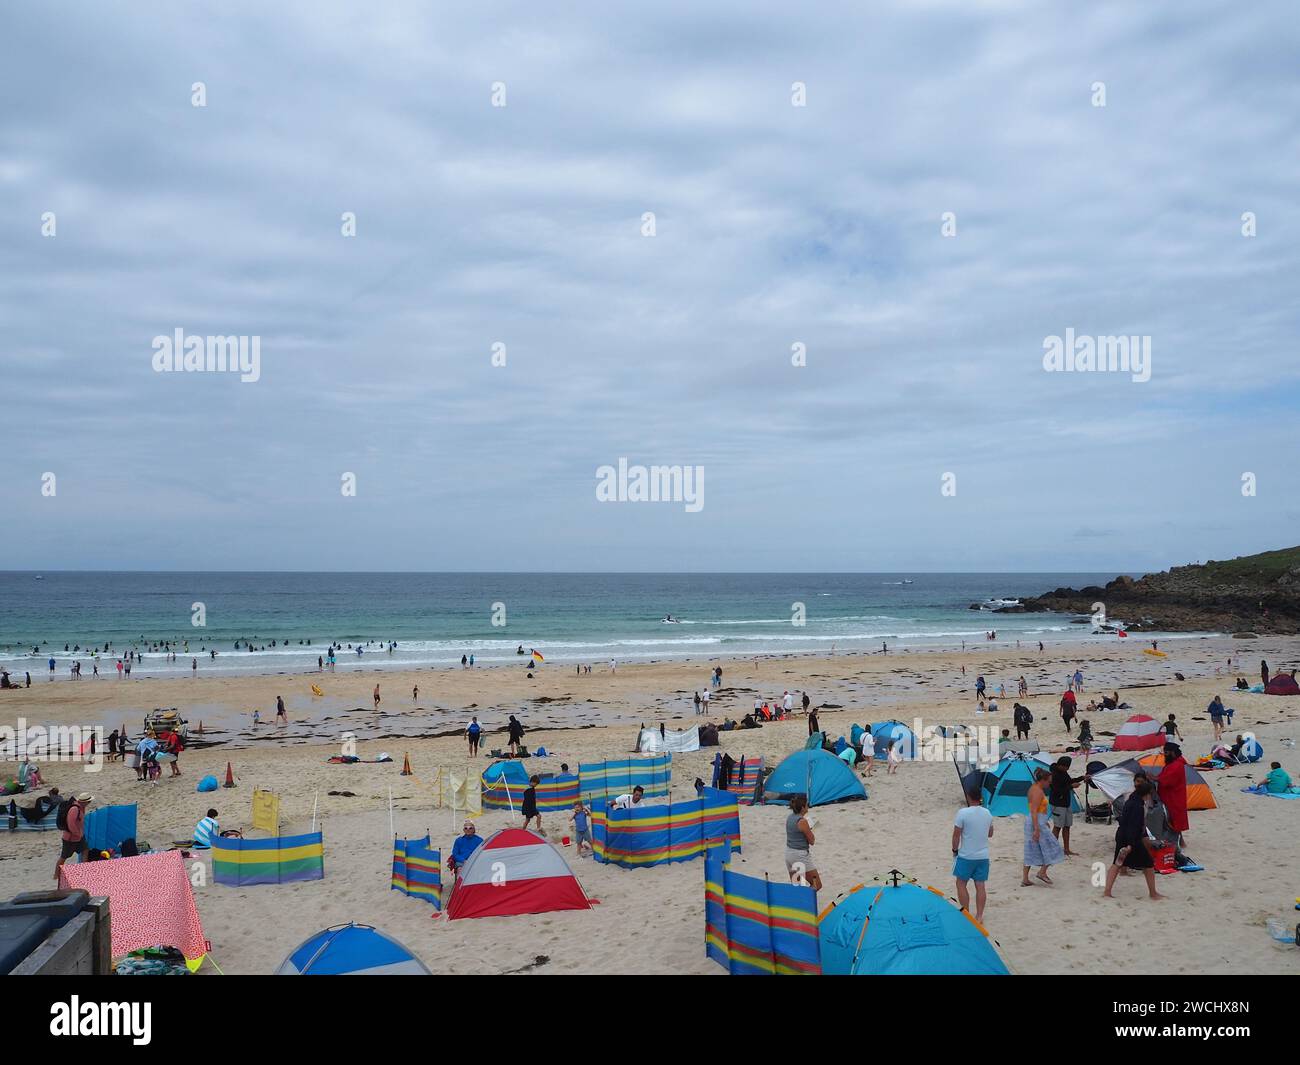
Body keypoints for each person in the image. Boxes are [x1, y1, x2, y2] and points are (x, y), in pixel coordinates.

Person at [1103, 777, 1165, 901]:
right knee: (1148, 864)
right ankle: (1153, 894)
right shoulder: (1138, 806)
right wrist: (1130, 845)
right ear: (1147, 794)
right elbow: (1134, 826)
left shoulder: (1130, 800)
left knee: (1117, 863)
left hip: (1121, 835)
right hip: (1132, 839)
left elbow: (1123, 820)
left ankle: (1107, 892)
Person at [952, 787, 994, 923]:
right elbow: (990, 833)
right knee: (980, 885)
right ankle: (980, 916)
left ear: (969, 797)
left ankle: (966, 913)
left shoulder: (963, 813)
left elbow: (956, 835)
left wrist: (954, 850)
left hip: (966, 855)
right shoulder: (987, 813)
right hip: (983, 855)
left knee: (961, 883)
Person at [1022, 768, 1063, 886]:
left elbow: (1037, 810)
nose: (1049, 784)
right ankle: (1042, 872)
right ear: (1043, 780)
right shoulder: (1037, 791)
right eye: (1048, 782)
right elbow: (1034, 811)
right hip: (1035, 822)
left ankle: (1026, 878)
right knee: (1053, 847)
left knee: (1031, 848)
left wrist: (1043, 822)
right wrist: (1037, 828)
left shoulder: (1034, 788)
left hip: (1037, 820)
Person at [1048, 757, 1085, 856]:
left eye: (1067, 767)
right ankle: (1051, 850)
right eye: (1065, 767)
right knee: (1057, 827)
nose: (1066, 769)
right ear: (1060, 765)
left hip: (1066, 803)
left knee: (1067, 826)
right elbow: (1057, 790)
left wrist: (1082, 778)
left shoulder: (1063, 772)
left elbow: (1069, 781)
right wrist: (1071, 786)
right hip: (1057, 804)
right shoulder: (1054, 775)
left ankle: (1066, 849)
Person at [784, 796, 821, 891]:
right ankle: (806, 902)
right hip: (799, 855)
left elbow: (796, 834)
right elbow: (812, 841)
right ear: (803, 807)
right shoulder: (803, 821)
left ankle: (798, 904)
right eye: (807, 805)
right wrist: (810, 830)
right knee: (816, 885)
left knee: (796, 885)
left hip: (788, 854)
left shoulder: (790, 817)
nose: (808, 806)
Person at [54, 793, 92, 881]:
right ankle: (56, 875)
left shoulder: (81, 808)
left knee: (85, 850)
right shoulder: (74, 809)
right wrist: (78, 833)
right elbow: (70, 824)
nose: (89, 803)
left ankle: (84, 870)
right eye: (88, 801)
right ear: (85, 802)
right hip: (70, 838)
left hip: (79, 837)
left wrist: (80, 834)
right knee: (64, 857)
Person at [1157, 743, 1189, 843]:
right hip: (1172, 796)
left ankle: (1180, 842)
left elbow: (1167, 781)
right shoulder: (1173, 764)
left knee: (1173, 820)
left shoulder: (1176, 765)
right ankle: (1181, 842)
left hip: (1173, 797)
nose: (1165, 755)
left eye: (1166, 753)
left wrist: (1154, 778)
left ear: (1172, 753)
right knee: (1173, 821)